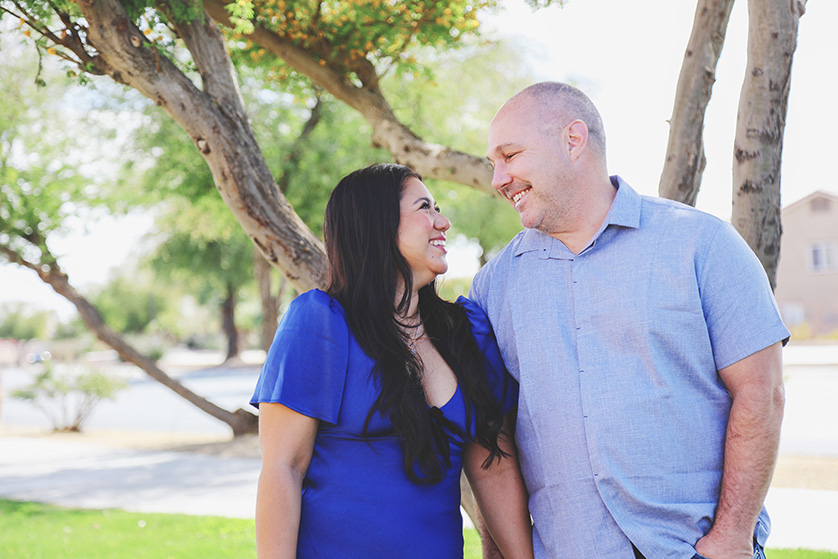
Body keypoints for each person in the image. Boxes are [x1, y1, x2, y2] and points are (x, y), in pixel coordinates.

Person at [471, 82, 789, 559]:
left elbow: (761, 392)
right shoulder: (492, 286)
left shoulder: (702, 244)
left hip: (690, 550)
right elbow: (490, 434)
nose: (498, 179)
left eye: (510, 155)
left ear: (573, 140)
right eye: (493, 163)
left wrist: (730, 538)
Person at [251, 163, 533, 559]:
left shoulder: (467, 330)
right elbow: (283, 468)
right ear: (376, 223)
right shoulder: (320, 323)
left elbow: (494, 466)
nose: (443, 221)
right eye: (425, 208)